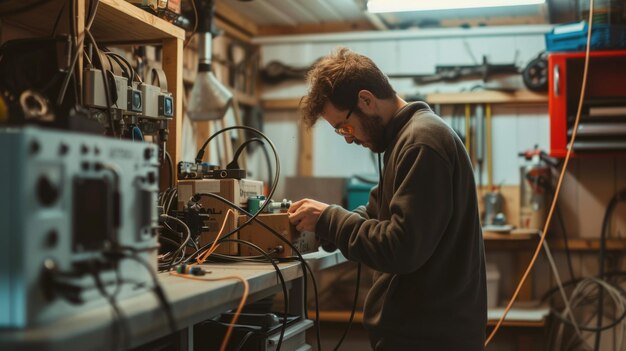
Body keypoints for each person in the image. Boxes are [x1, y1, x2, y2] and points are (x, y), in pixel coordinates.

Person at [287, 47, 487, 350]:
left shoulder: (422, 142)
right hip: (420, 333)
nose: (349, 137)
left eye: (345, 126)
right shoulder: (405, 139)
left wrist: (329, 218)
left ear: (366, 100)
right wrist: (320, 228)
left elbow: (401, 247)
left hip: (430, 339)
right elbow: (375, 214)